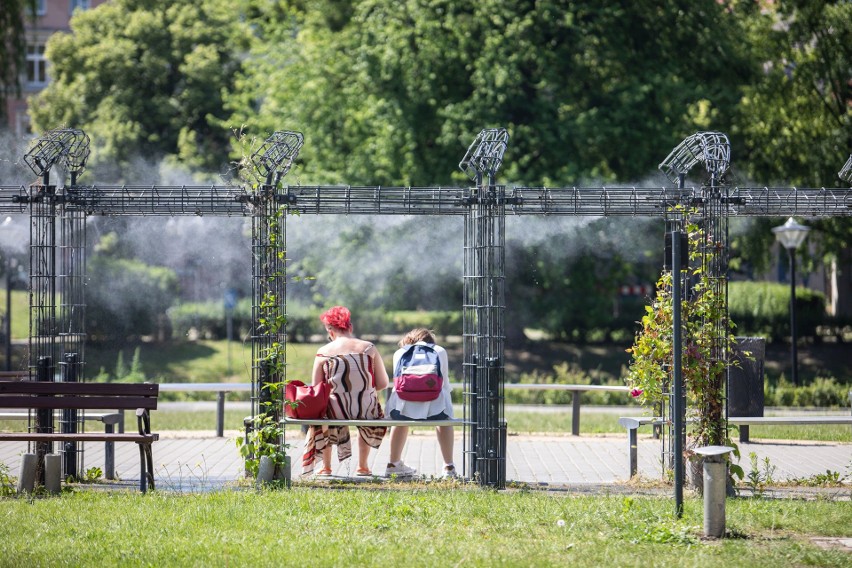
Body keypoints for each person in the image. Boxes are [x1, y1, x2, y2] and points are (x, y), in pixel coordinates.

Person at [302, 306, 389, 477]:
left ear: (329, 329)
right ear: (351, 327)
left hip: (335, 410)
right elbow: (383, 383)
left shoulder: (323, 353)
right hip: (365, 408)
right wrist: (361, 391)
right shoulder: (368, 348)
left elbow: (317, 388)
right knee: (368, 403)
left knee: (324, 414)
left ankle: (326, 467)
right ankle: (363, 467)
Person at [384, 328, 456, 478]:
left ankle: (393, 464)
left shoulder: (400, 352)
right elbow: (445, 384)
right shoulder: (439, 351)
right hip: (436, 410)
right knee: (446, 419)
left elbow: (397, 383)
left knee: (399, 421)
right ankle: (449, 467)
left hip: (402, 410)